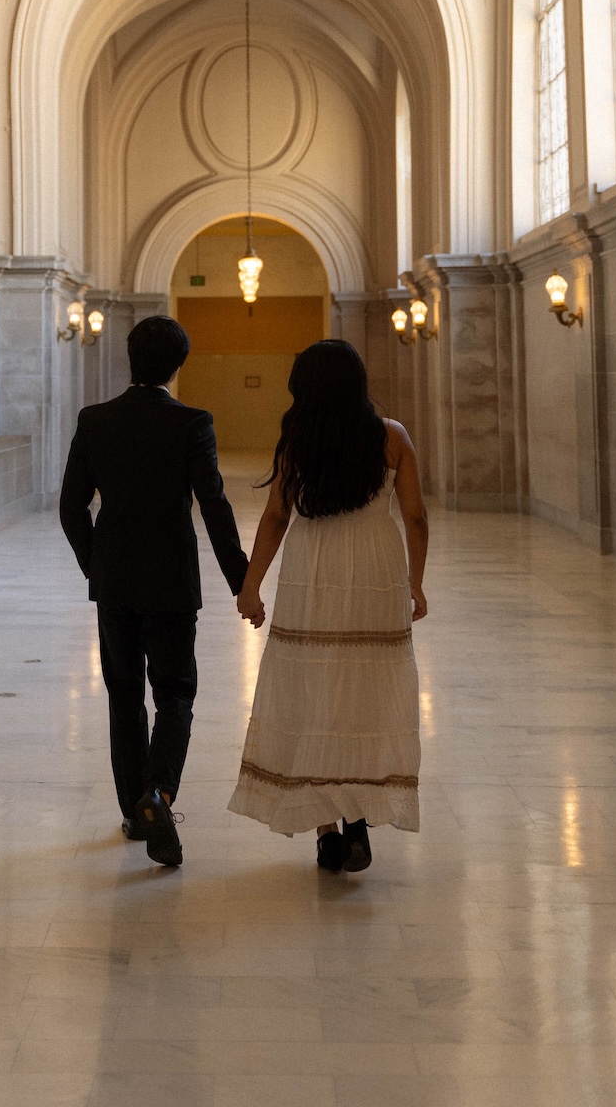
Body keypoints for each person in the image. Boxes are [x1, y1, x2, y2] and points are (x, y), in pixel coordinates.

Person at [228, 339, 428, 872]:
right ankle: (358, 818)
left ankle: (327, 831)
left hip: (313, 570)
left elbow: (275, 518)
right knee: (365, 687)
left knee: (312, 686)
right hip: (375, 569)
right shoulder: (392, 438)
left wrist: (251, 586)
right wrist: (417, 582)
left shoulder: (298, 440)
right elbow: (415, 517)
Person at [59, 314, 249, 868]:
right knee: (174, 692)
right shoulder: (192, 423)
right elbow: (213, 505)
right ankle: (159, 794)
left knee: (124, 695)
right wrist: (242, 581)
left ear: (129, 358)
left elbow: (72, 507)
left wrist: (96, 563)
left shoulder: (95, 421)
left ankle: (133, 811)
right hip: (171, 582)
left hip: (114, 581)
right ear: (177, 365)